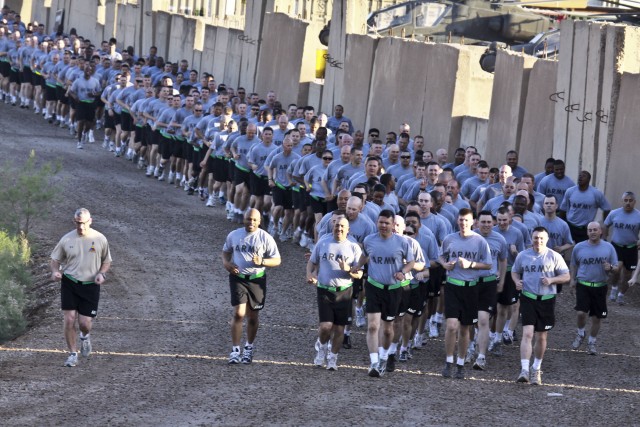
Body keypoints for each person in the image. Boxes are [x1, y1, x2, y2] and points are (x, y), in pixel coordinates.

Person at [351, 210, 415, 377]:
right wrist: (358, 266)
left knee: (388, 330)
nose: (383, 225)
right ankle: (374, 362)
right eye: (381, 222)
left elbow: (411, 262)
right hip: (373, 286)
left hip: (393, 290)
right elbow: (365, 256)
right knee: (372, 326)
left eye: (387, 223)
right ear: (377, 223)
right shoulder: (369, 240)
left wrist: (403, 271)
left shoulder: (402, 242)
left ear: (393, 225)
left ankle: (384, 356)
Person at [50, 208, 112, 367]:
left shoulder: (100, 238)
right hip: (70, 282)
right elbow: (55, 259)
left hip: (90, 285)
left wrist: (102, 274)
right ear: (74, 222)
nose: (81, 227)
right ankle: (72, 354)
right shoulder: (66, 239)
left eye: (84, 223)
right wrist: (56, 272)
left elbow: (107, 260)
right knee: (69, 319)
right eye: (78, 223)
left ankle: (85, 337)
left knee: (84, 323)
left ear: (90, 221)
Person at [222, 209, 281, 365]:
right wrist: (227, 264)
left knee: (253, 316)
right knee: (239, 313)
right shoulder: (234, 235)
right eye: (249, 219)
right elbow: (225, 252)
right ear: (244, 219)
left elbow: (277, 260)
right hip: (238, 278)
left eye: (254, 220)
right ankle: (235, 350)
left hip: (257, 280)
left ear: (259, 221)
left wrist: (262, 262)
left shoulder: (265, 238)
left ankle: (249, 347)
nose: (251, 222)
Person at [512, 227, 570, 385]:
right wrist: (517, 281)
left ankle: (536, 368)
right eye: (535, 238)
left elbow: (566, 275)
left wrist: (551, 280)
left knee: (541, 335)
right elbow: (515, 271)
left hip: (547, 299)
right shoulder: (523, 255)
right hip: (528, 297)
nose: (538, 241)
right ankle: (524, 369)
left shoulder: (554, 256)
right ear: (531, 238)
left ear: (547, 239)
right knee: (528, 333)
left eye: (541, 238)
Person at [439, 208, 492, 379]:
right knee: (451, 325)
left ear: (473, 222)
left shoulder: (480, 241)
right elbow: (441, 256)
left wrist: (471, 265)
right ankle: (448, 361)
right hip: (453, 286)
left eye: (466, 220)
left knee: (464, 328)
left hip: (471, 287)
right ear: (457, 221)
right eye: (461, 220)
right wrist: (444, 264)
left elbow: (488, 265)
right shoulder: (449, 239)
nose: (463, 223)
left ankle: (460, 363)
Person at [307, 216, 363, 370]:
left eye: (342, 227)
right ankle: (322, 349)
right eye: (337, 226)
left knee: (339, 329)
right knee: (325, 326)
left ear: (348, 230)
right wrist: (309, 274)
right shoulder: (323, 242)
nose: (339, 229)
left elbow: (359, 274)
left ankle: (333, 358)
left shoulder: (353, 247)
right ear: (333, 226)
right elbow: (312, 261)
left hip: (344, 291)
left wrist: (349, 270)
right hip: (325, 289)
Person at [570, 222, 619, 355]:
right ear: (587, 232)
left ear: (600, 231)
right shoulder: (579, 247)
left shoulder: (609, 248)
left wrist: (611, 268)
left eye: (595, 230)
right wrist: (572, 280)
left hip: (600, 286)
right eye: (590, 230)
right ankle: (580, 333)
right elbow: (573, 264)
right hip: (583, 285)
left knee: (597, 317)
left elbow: (616, 267)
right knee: (581, 313)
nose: (592, 232)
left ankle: (592, 342)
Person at [603, 191, 640, 305]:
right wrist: (605, 239)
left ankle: (621, 294)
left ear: (634, 202)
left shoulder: (638, 215)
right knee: (616, 270)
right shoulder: (614, 213)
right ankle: (614, 288)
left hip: (631, 248)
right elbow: (605, 225)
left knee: (628, 275)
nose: (628, 203)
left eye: (630, 201)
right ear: (622, 201)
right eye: (625, 200)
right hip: (617, 247)